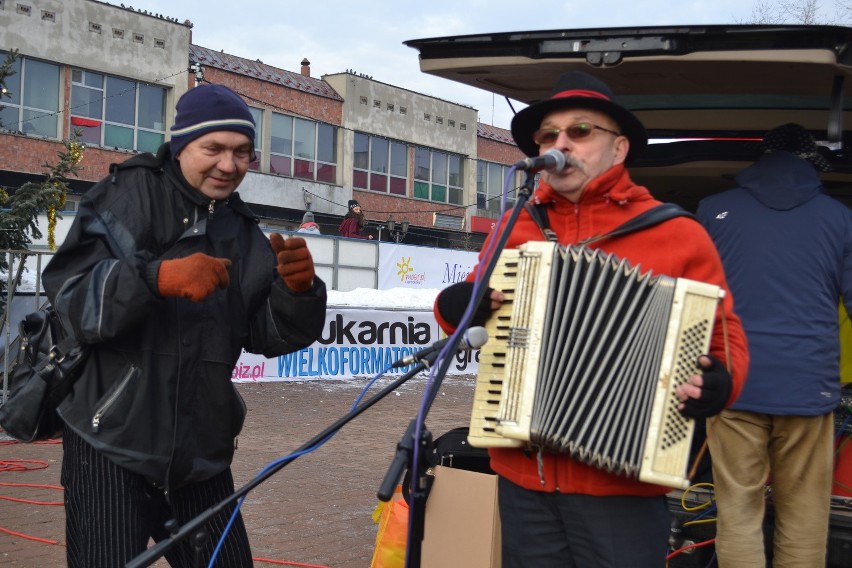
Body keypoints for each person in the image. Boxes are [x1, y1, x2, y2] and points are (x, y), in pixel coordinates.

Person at [432, 71, 749, 567]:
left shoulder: (676, 233)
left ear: (618, 149)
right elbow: (472, 308)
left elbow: (725, 337)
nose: (561, 143)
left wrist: (719, 384)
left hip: (622, 482)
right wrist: (452, 307)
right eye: (549, 135)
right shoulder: (517, 226)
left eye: (580, 132)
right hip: (522, 478)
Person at [41, 84, 328, 568]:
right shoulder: (126, 196)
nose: (228, 164)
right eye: (212, 148)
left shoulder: (241, 229)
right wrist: (156, 279)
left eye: (242, 152)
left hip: (202, 451)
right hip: (110, 440)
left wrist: (297, 293)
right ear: (180, 146)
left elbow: (268, 335)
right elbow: (72, 297)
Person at [697, 123, 852, 567]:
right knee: (804, 517)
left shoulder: (712, 210)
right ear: (810, 164)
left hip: (735, 385)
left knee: (739, 513)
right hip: (809, 388)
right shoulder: (841, 220)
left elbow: (693, 299)